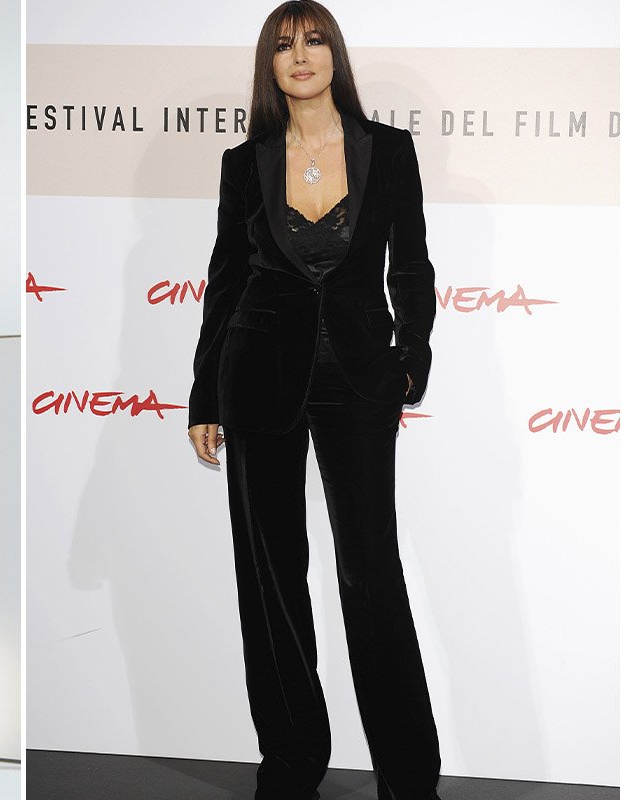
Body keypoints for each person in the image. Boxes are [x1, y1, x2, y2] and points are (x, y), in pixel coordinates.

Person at [186, 2, 441, 799]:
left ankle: (408, 774)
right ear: (269, 65)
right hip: (257, 375)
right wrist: (204, 394)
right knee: (271, 577)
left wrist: (411, 359)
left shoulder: (388, 150)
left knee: (371, 571)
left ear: (336, 55)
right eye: (284, 45)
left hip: (360, 380)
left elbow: (412, 267)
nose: (300, 55)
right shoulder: (245, 162)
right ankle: (292, 761)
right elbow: (226, 280)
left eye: (315, 40)